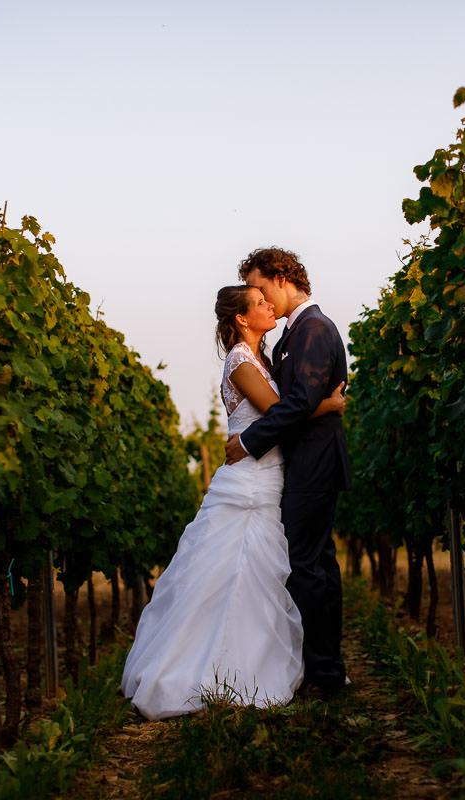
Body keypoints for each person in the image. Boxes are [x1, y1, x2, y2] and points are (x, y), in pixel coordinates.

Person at [120, 284, 345, 720]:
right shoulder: (241, 361)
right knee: (231, 574)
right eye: (259, 304)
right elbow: (282, 409)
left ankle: (246, 663)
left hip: (267, 478)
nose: (268, 306)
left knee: (258, 576)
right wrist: (330, 404)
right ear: (242, 319)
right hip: (249, 482)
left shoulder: (263, 357)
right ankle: (205, 671)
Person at [225, 247, 351, 699]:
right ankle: (320, 668)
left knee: (307, 566)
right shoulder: (292, 335)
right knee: (311, 565)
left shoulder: (314, 328)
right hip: (302, 462)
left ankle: (324, 675)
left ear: (280, 277)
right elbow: (296, 403)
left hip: (315, 462)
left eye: (259, 287)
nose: (258, 297)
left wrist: (248, 441)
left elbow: (297, 404)